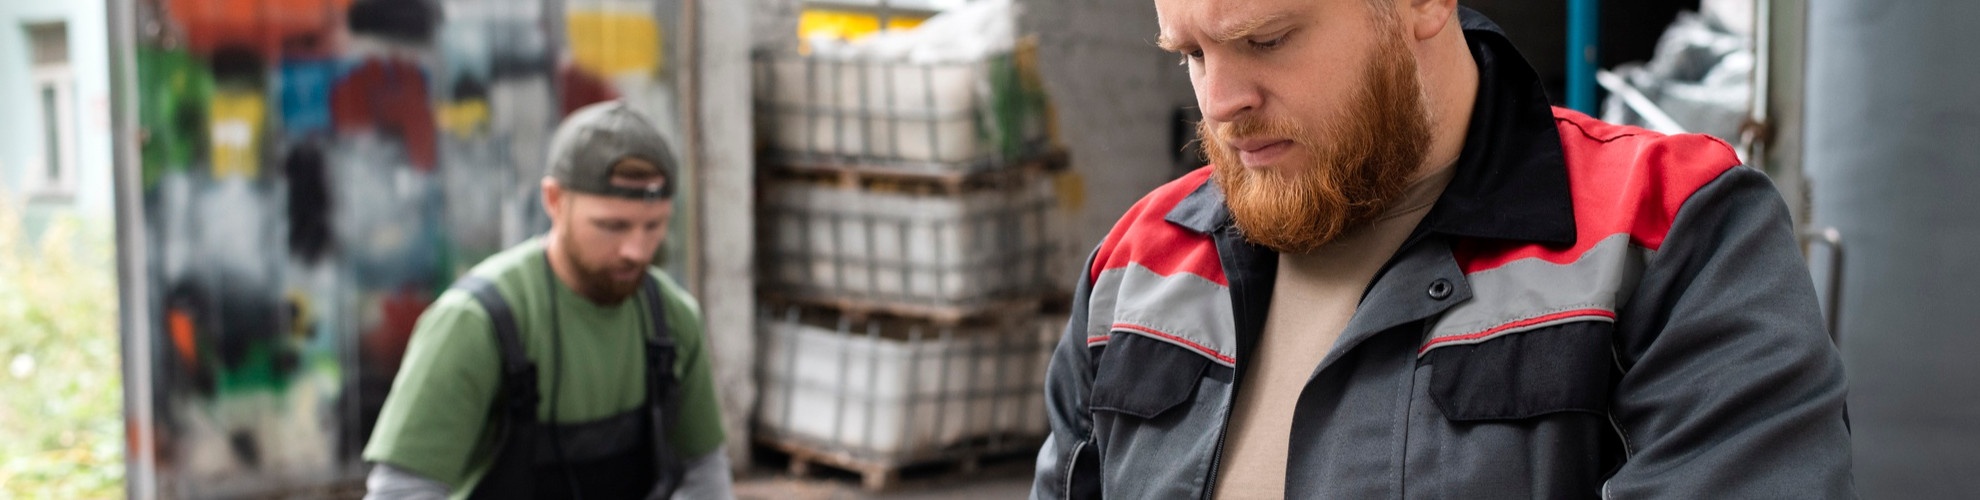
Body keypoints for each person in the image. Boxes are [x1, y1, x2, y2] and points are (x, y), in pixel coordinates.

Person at [1031, 0, 1854, 498]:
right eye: (1192, 55)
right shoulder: (1137, 268)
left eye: (1268, 38)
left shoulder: (1669, 231)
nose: (1222, 101)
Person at [363, 100, 732, 499]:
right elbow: (402, 490)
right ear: (554, 200)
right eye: (613, 226)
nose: (636, 250)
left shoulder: (672, 320)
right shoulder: (476, 322)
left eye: (654, 225)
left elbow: (705, 476)